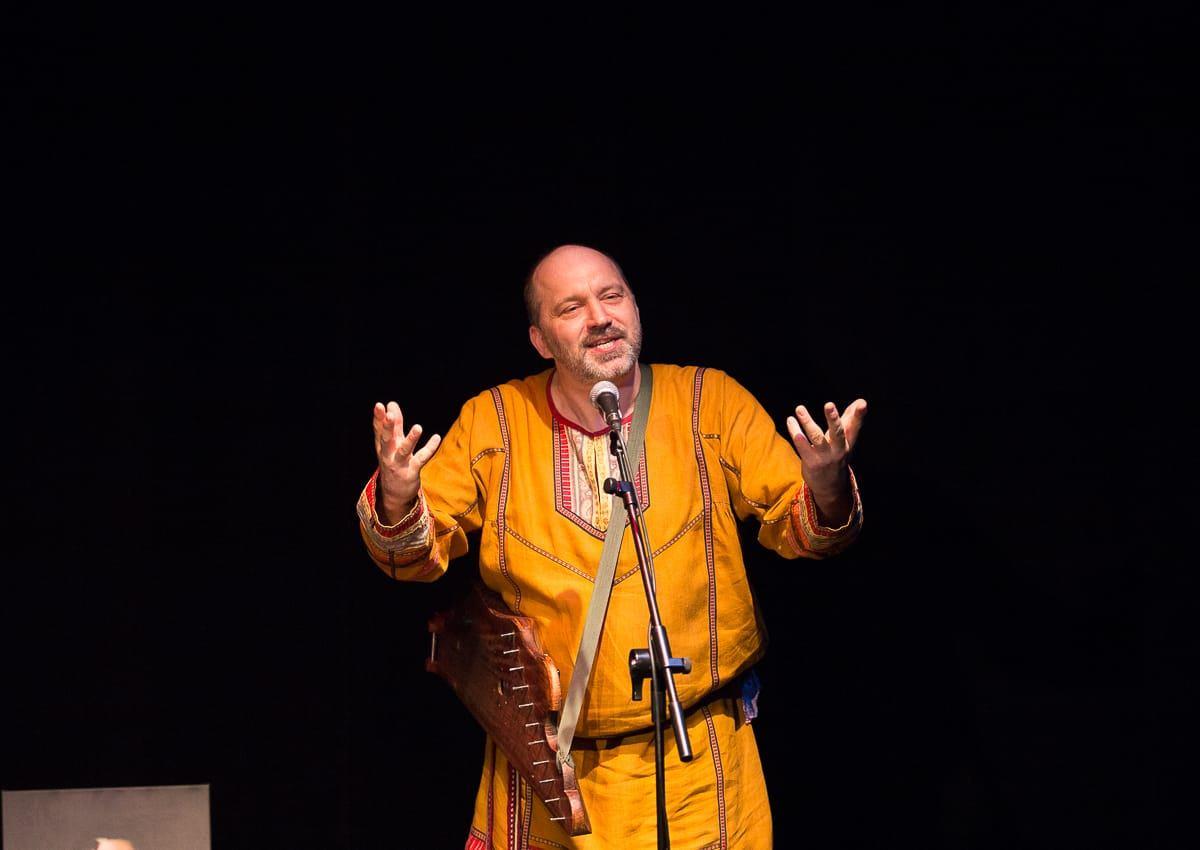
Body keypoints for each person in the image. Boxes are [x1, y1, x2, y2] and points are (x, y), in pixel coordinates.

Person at [356, 245, 866, 850]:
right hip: (547, 778)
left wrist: (827, 483)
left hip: (702, 766)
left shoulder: (709, 402)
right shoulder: (494, 422)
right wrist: (397, 495)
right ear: (540, 340)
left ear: (636, 309)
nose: (600, 317)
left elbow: (807, 529)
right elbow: (411, 556)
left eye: (611, 296)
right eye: (571, 308)